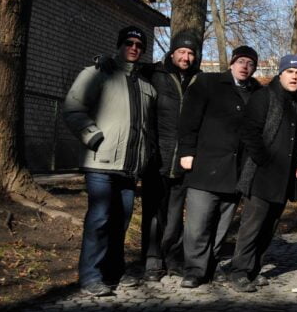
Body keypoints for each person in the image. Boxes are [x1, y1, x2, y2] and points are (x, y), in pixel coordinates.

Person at [63, 25, 156, 297]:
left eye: (139, 46)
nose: (134, 48)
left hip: (129, 166)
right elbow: (72, 108)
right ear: (119, 45)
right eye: (129, 43)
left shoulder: (146, 85)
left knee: (121, 220)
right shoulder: (97, 73)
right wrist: (93, 137)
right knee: (100, 219)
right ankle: (91, 276)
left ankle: (113, 271)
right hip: (101, 163)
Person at [177, 45, 260, 288]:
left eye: (251, 63)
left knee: (222, 225)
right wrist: (186, 152)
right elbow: (188, 120)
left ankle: (211, 265)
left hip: (236, 171)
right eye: (241, 61)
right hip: (206, 166)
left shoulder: (256, 92)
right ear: (232, 63)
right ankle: (193, 269)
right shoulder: (207, 83)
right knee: (198, 223)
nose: (245, 67)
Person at [228, 55, 297, 293]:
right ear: (280, 74)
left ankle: (253, 270)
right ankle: (239, 271)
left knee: (268, 228)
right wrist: (263, 161)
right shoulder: (264, 96)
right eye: (290, 72)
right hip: (261, 175)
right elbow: (249, 132)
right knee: (252, 227)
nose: (294, 77)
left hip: (284, 177)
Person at [139, 30, 202, 282]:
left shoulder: (200, 80)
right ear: (172, 52)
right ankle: (152, 260)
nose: (185, 57)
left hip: (184, 160)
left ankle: (173, 258)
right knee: (154, 212)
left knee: (176, 214)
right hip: (157, 156)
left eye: (190, 53)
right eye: (182, 52)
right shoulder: (154, 74)